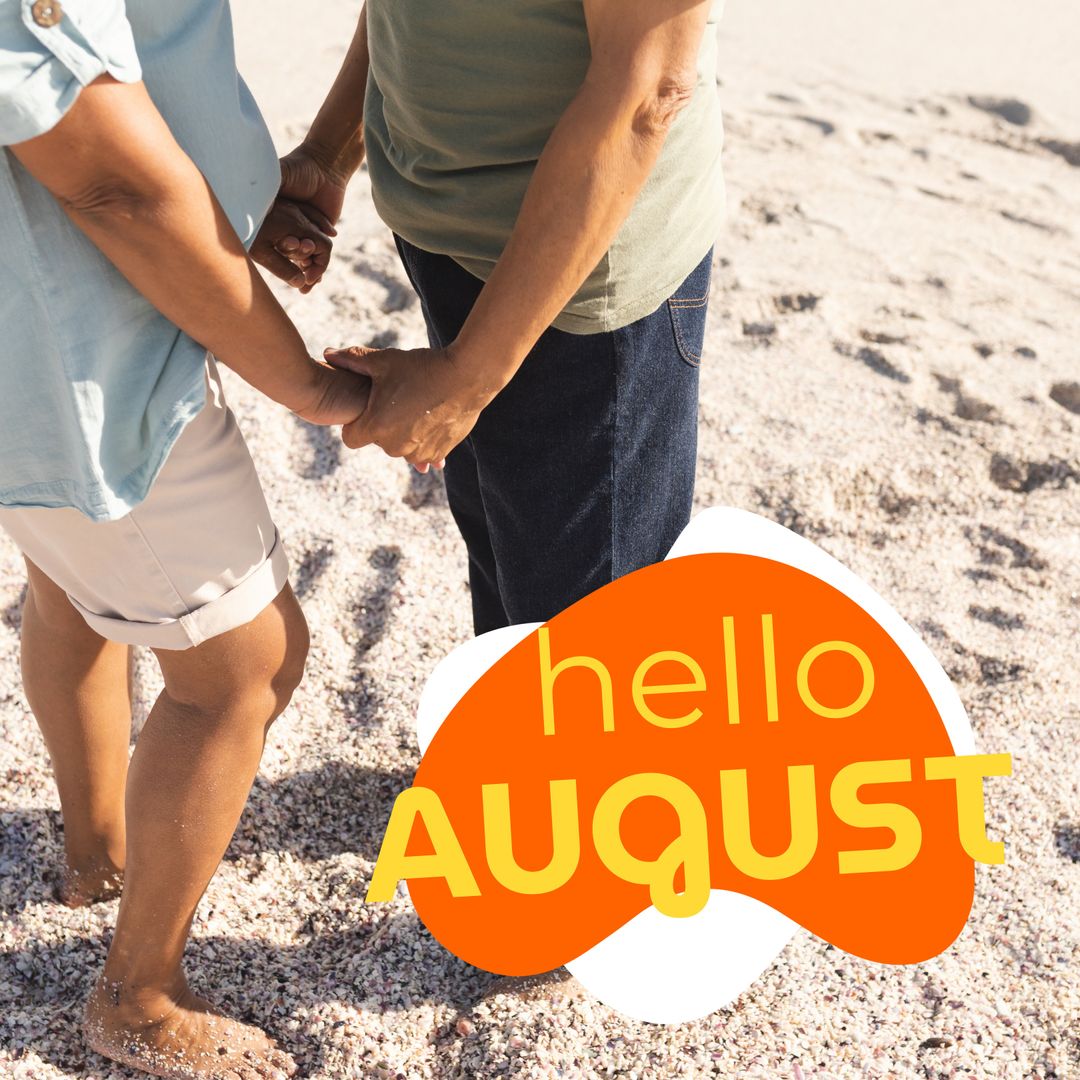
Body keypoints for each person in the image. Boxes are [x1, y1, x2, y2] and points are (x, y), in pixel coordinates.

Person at [0, 1, 367, 1075]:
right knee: (241, 666)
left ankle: (95, 852)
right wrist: (307, 384)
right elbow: (109, 178)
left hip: (67, 331)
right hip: (80, 353)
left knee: (74, 583)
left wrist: (234, 207)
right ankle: (139, 994)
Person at [277, 0, 726, 634]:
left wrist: (468, 376)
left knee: (590, 648)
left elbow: (647, 91)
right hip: (451, 242)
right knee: (512, 598)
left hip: (578, 289)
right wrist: (328, 151)